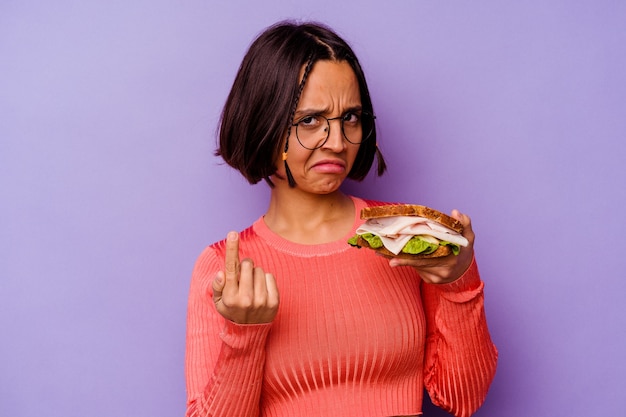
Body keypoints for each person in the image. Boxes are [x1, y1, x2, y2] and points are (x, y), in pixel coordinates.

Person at [185, 21, 498, 417]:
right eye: (311, 120)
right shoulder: (225, 270)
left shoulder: (403, 236)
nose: (338, 142)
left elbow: (463, 398)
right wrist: (243, 336)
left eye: (351, 118)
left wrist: (459, 280)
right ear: (264, 124)